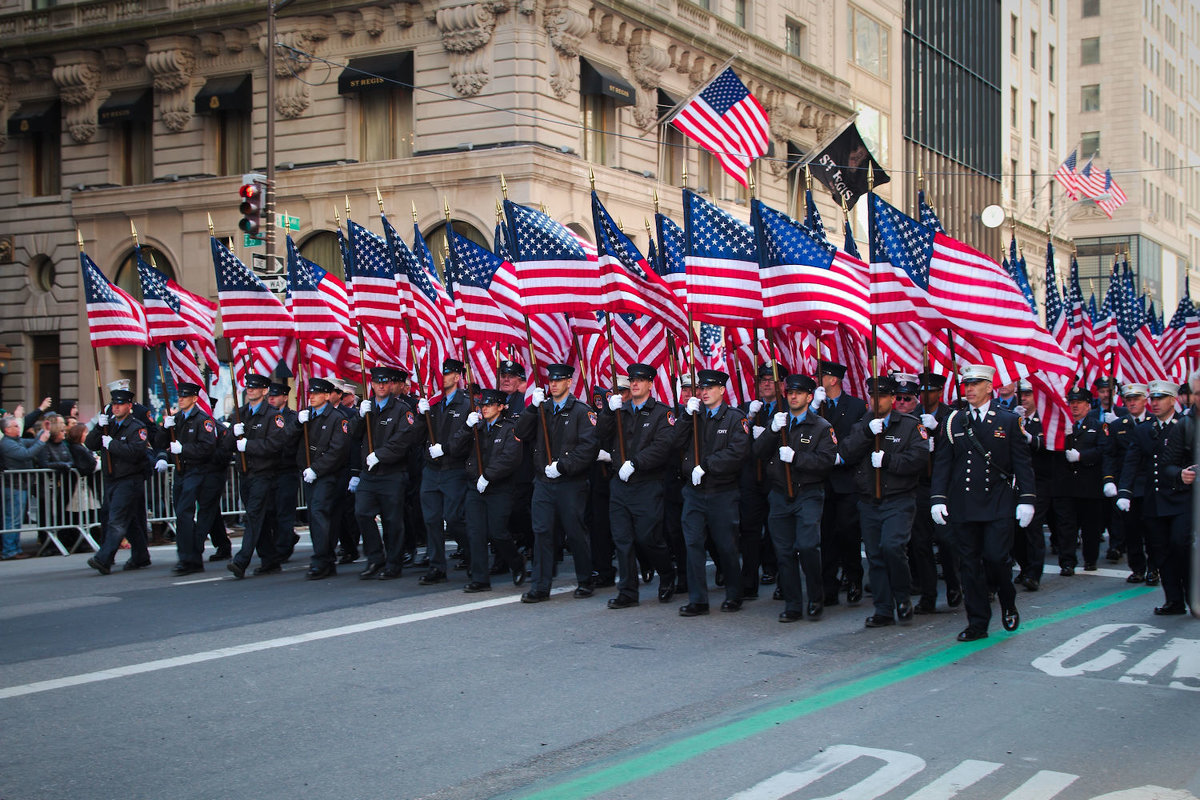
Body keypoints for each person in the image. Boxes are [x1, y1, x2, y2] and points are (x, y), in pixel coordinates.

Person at [931, 364, 1034, 642]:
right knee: (969, 565)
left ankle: (1007, 598)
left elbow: (1022, 464)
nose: (970, 389)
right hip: (963, 504)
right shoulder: (954, 421)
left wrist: (1026, 499)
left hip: (997, 502)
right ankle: (977, 622)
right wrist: (938, 499)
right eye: (967, 385)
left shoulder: (1008, 420)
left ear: (989, 387)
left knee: (996, 558)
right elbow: (943, 464)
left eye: (976, 384)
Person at [841, 375, 928, 628]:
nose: (876, 401)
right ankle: (883, 608)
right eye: (872, 396)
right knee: (876, 555)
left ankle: (902, 596)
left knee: (892, 547)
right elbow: (846, 452)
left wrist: (890, 461)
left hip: (898, 499)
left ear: (892, 399)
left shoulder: (910, 425)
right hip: (869, 501)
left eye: (882, 396)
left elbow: (919, 458)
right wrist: (867, 433)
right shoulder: (863, 424)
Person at [753, 373, 837, 621]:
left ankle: (815, 595)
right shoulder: (778, 421)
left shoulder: (821, 426)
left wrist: (797, 458)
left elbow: (827, 461)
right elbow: (757, 452)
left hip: (808, 493)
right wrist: (770, 430)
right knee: (784, 551)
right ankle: (792, 603)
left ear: (809, 397)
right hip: (779, 494)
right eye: (790, 392)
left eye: (799, 393)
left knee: (808, 546)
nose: (793, 397)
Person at [597, 363, 678, 609]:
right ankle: (628, 592)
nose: (635, 384)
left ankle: (666, 572)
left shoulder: (661, 413)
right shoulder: (620, 411)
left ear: (650, 384)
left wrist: (636, 462)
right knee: (622, 539)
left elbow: (663, 446)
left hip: (647, 483)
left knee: (647, 538)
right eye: (632, 380)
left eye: (640, 380)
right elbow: (600, 435)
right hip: (620, 484)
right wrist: (609, 414)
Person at [515, 363, 597, 603]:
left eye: (559, 380)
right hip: (543, 482)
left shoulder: (582, 411)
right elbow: (520, 432)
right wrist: (531, 408)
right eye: (551, 380)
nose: (553, 384)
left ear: (569, 383)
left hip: (570, 482)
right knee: (542, 532)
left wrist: (563, 465)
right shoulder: (542, 408)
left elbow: (588, 447)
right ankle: (541, 586)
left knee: (574, 532)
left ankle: (585, 579)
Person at [673, 369, 750, 615]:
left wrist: (706, 466)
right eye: (701, 388)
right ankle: (698, 599)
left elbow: (737, 453)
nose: (704, 392)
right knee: (693, 543)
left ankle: (734, 593)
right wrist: (686, 417)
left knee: (726, 545)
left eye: (709, 388)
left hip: (722, 491)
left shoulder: (735, 418)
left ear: (721, 391)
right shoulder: (694, 415)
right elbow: (675, 443)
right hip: (694, 492)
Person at [1117, 381, 1193, 614]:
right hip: (1155, 500)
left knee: (1181, 546)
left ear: (1173, 400)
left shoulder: (1187, 426)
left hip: (1181, 499)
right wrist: (1124, 492)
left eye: (1161, 398)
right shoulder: (1143, 430)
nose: (1156, 403)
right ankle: (1174, 600)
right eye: (1153, 399)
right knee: (1160, 550)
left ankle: (1193, 596)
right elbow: (1132, 462)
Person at [453, 388, 526, 591]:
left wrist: (488, 475)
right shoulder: (476, 427)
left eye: (489, 405)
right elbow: (456, 449)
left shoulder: (510, 428)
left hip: (498, 487)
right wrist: (466, 428)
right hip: (475, 486)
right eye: (482, 405)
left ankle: (516, 560)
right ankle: (480, 579)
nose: (484, 408)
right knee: (475, 532)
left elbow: (510, 458)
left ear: (501, 407)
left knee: (497, 532)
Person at [356, 366, 422, 580]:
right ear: (372, 385)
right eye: (378, 382)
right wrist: (359, 416)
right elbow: (354, 437)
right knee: (362, 513)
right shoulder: (367, 408)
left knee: (392, 520)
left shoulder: (402, 409)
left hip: (392, 473)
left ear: (391, 384)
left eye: (385, 382)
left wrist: (381, 455)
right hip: (370, 474)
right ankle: (375, 557)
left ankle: (393, 563)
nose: (382, 386)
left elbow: (403, 439)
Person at [85, 386, 153, 574]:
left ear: (129, 406)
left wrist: (112, 444)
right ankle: (141, 556)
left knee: (116, 521)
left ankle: (103, 558)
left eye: (120, 404)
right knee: (128, 520)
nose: (116, 407)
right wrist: (99, 427)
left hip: (129, 479)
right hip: (112, 478)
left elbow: (135, 452)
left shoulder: (136, 427)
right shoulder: (110, 425)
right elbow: (89, 443)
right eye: (114, 404)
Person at [153, 381, 219, 576]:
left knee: (184, 514)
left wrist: (184, 449)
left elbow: (208, 447)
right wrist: (165, 428)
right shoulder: (177, 419)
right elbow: (159, 443)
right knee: (182, 516)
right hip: (181, 472)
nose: (180, 399)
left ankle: (187, 558)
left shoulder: (202, 419)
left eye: (185, 396)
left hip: (197, 471)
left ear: (194, 399)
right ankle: (191, 558)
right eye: (179, 396)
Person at [227, 374, 289, 579]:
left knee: (253, 515)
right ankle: (270, 559)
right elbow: (226, 445)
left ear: (264, 391)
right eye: (248, 387)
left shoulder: (273, 416)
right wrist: (231, 434)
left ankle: (241, 560)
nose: (250, 390)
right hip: (244, 474)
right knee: (259, 517)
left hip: (264, 474)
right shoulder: (239, 413)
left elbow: (276, 444)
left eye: (255, 388)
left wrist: (249, 445)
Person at [417, 359, 472, 585]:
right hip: (432, 469)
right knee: (431, 519)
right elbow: (415, 437)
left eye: (448, 373)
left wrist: (447, 448)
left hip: (454, 468)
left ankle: (472, 555)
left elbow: (466, 438)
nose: (443, 376)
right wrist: (421, 416)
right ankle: (437, 566)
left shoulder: (466, 404)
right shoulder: (433, 403)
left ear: (457, 377)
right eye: (441, 372)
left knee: (454, 518)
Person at [816, 361, 867, 606]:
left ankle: (854, 576)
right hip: (822, 479)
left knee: (848, 532)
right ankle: (829, 586)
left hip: (847, 479)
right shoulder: (816, 405)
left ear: (833, 379)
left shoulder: (856, 406)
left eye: (821, 376)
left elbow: (859, 437)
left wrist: (842, 455)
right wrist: (814, 408)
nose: (818, 380)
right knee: (826, 535)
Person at [910, 371, 962, 611]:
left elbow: (961, 448)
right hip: (920, 485)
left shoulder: (951, 416)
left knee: (947, 541)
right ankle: (928, 595)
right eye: (922, 391)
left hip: (945, 487)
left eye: (930, 391)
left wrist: (939, 429)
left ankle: (954, 583)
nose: (925, 395)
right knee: (920, 543)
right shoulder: (912, 416)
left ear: (939, 392)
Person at [1051, 385, 1113, 575]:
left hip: (1089, 484)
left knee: (1090, 526)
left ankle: (1090, 559)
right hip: (1066, 484)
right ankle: (1067, 562)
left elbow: (1104, 451)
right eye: (1072, 403)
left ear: (1088, 405)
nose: (1075, 406)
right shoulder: (1061, 426)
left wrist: (1082, 456)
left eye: (1079, 403)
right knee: (1066, 527)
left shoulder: (1098, 426)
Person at [737, 362, 784, 599]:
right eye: (762, 380)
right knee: (749, 529)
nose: (766, 384)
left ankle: (777, 573)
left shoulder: (787, 408)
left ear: (781, 384)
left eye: (771, 380)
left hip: (775, 476)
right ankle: (748, 582)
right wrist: (748, 417)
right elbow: (734, 440)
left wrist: (766, 434)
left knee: (778, 528)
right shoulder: (748, 408)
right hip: (750, 477)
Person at [297, 377, 351, 580]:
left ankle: (320, 559)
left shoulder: (338, 418)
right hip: (311, 475)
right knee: (315, 516)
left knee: (320, 514)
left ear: (327, 396)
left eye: (316, 393)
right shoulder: (307, 417)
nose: (311, 396)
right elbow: (293, 440)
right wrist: (297, 423)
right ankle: (327, 559)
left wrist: (316, 469)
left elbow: (338, 451)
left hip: (328, 475)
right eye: (310, 393)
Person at [1106, 383, 1153, 581]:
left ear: (1145, 400)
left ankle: (1154, 568)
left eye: (1136, 399)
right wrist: (1109, 480)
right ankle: (1138, 568)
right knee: (1131, 530)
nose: (1132, 403)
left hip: (1150, 485)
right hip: (1128, 485)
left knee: (1152, 531)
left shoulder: (1153, 422)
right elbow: (1110, 456)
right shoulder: (1118, 425)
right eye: (1129, 399)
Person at [1012, 380, 1051, 592]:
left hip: (1038, 480)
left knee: (1033, 525)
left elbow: (1049, 443)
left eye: (1028, 394)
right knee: (1016, 528)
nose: (1024, 398)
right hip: (1015, 481)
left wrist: (1029, 437)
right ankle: (1025, 566)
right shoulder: (1012, 417)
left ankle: (1034, 573)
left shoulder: (1044, 418)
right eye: (1022, 394)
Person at [2, 413, 49, 559]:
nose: (18, 428)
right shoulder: (7, 444)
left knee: (16, 519)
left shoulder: (16, 440)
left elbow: (32, 443)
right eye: (15, 426)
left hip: (19, 485)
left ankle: (15, 548)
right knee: (13, 519)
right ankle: (10, 550)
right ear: (7, 430)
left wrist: (43, 432)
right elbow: (26, 454)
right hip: (13, 485)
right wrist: (41, 441)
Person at [264, 381, 301, 561]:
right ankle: (286, 538)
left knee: (284, 512)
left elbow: (290, 442)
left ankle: (282, 550)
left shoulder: (292, 418)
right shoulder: (265, 417)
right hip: (268, 471)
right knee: (270, 511)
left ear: (285, 398)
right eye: (269, 396)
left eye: (275, 396)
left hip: (286, 470)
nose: (271, 399)